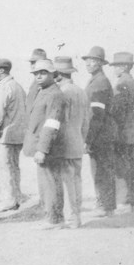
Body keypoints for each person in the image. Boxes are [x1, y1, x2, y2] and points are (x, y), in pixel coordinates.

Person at [28, 58, 70, 229]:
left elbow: (52, 123)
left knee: (51, 183)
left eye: (43, 73)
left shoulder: (54, 94)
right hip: (43, 145)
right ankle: (52, 217)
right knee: (46, 183)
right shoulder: (44, 91)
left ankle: (55, 219)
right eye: (36, 73)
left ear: (53, 74)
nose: (39, 76)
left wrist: (42, 149)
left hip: (50, 147)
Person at [51, 56, 89, 229]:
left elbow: (59, 121)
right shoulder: (81, 91)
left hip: (64, 143)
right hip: (78, 141)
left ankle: (71, 217)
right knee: (76, 180)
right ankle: (77, 216)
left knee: (66, 181)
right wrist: (83, 138)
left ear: (58, 74)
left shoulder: (61, 93)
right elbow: (87, 120)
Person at [82, 46, 117, 217]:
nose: (89, 63)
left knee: (102, 170)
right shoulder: (96, 80)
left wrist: (88, 138)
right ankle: (104, 203)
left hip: (101, 134)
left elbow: (96, 116)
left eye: (93, 60)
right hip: (101, 134)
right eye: (87, 60)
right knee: (100, 169)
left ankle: (106, 206)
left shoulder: (100, 83)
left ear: (101, 63)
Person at [0, 58, 28, 212]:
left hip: (5, 135)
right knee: (13, 167)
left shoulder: (4, 87)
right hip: (18, 134)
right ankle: (15, 199)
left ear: (2, 70)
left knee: (4, 168)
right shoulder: (17, 86)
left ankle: (7, 201)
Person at [110, 52, 134, 212]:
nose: (114, 69)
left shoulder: (121, 84)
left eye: (116, 66)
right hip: (131, 132)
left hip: (121, 132)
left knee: (121, 166)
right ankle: (132, 199)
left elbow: (117, 110)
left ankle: (124, 201)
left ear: (123, 67)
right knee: (131, 164)